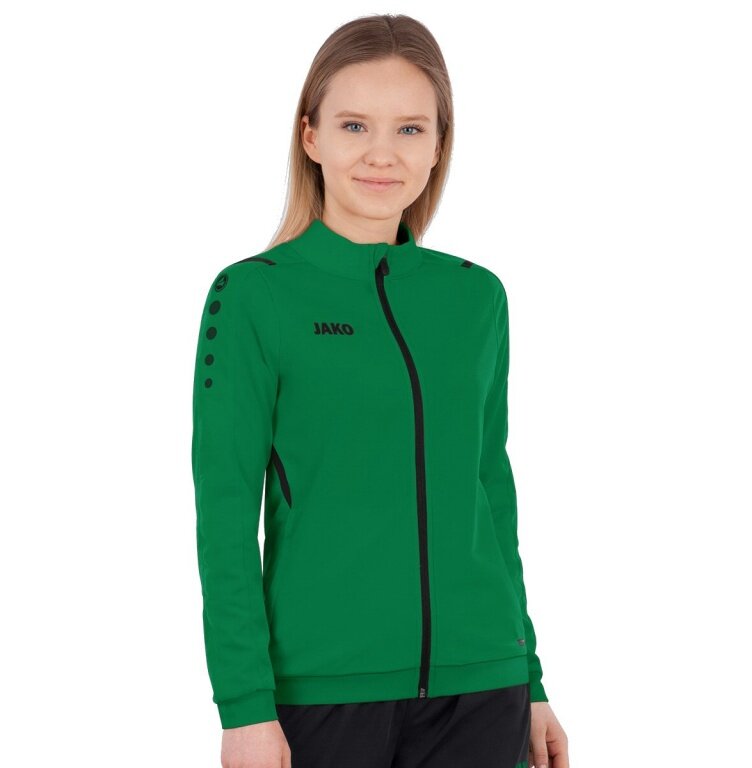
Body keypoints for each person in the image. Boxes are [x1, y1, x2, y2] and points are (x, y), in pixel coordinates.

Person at [191, 13, 569, 768]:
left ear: (438, 146)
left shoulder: (476, 297)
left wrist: (529, 681)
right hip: (323, 692)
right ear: (311, 136)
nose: (381, 153)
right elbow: (225, 517)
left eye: (410, 129)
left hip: (483, 685)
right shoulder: (254, 297)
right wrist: (244, 706)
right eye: (355, 124)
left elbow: (490, 497)